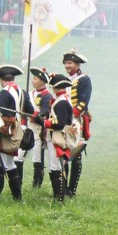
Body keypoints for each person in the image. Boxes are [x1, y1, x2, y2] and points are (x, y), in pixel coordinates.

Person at [0, 64, 33, 202]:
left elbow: (5, 117)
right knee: (10, 164)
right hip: (17, 133)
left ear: (2, 79)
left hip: (6, 133)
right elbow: (30, 111)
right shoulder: (22, 92)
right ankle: (18, 198)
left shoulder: (3, 93)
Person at [62, 50, 92, 197]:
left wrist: (72, 115)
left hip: (76, 119)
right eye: (66, 63)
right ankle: (63, 188)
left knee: (76, 153)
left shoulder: (84, 80)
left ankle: (72, 190)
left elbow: (83, 101)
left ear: (77, 64)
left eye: (70, 63)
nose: (67, 66)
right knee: (64, 153)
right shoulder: (64, 79)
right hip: (64, 119)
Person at [42, 73, 74, 202]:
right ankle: (58, 195)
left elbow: (60, 123)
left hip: (57, 136)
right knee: (55, 166)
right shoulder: (63, 99)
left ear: (55, 87)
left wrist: (44, 123)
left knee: (55, 166)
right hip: (57, 135)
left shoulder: (61, 102)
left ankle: (59, 197)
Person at [28, 67, 55, 188]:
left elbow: (44, 114)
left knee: (37, 158)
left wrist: (33, 116)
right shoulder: (30, 94)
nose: (33, 81)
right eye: (33, 78)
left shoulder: (47, 96)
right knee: (19, 156)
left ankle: (36, 184)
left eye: (35, 78)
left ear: (42, 81)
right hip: (27, 128)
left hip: (39, 131)